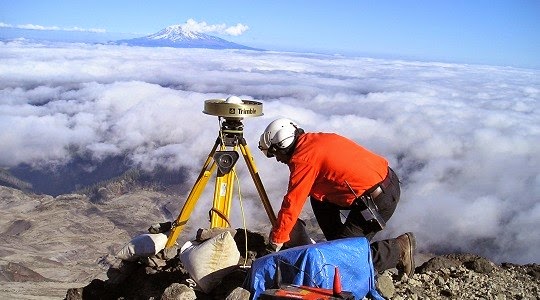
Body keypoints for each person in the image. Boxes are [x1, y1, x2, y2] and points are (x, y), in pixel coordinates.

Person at [258, 118, 416, 276]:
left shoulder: (304, 159)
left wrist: (275, 243)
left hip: (377, 200)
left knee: (341, 259)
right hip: (382, 185)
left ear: (282, 145)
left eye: (275, 154)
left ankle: (398, 249)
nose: (278, 159)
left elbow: (292, 202)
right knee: (318, 198)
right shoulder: (313, 141)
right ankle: (338, 244)